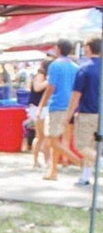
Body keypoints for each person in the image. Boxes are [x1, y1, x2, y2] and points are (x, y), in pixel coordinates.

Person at [40, 40, 82, 181]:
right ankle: (53, 171)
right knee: (63, 139)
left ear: (58, 49)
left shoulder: (54, 65)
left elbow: (50, 87)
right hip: (71, 106)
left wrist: (41, 105)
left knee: (52, 140)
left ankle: (76, 160)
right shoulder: (76, 67)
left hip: (57, 106)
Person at [65, 36, 101, 187]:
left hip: (88, 113)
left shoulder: (84, 68)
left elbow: (76, 95)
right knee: (93, 146)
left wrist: (69, 114)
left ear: (88, 48)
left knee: (82, 146)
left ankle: (98, 165)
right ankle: (85, 177)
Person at [28, 59, 50, 168]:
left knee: (42, 136)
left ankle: (41, 160)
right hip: (38, 108)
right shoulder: (41, 76)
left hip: (41, 108)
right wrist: (49, 81)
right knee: (42, 136)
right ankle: (40, 160)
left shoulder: (42, 75)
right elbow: (37, 88)